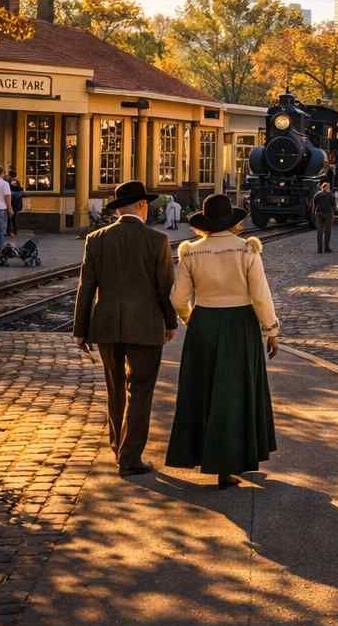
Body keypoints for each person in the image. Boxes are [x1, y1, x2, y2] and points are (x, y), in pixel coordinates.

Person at [166, 193, 279, 489]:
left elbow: (178, 298)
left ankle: (200, 453)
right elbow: (260, 295)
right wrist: (271, 330)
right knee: (235, 393)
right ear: (233, 222)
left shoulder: (190, 252)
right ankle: (231, 462)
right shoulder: (247, 250)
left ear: (204, 224)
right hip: (240, 324)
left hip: (204, 321)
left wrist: (191, 318)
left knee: (201, 391)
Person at [73, 180, 177, 478]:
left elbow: (86, 287)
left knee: (115, 387)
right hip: (145, 326)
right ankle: (130, 458)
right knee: (140, 390)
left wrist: (80, 329)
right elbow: (164, 289)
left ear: (120, 209)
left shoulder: (96, 239)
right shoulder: (157, 241)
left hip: (106, 325)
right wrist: (170, 323)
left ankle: (118, 445)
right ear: (142, 206)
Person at [311, 181, 335, 253]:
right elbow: (333, 206)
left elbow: (314, 206)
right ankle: (326, 248)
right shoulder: (330, 195)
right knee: (327, 232)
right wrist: (333, 214)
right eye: (328, 187)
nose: (329, 188)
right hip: (328, 214)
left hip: (319, 214)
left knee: (319, 232)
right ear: (326, 187)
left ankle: (319, 249)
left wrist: (314, 214)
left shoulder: (317, 195)